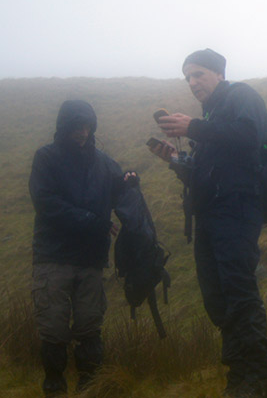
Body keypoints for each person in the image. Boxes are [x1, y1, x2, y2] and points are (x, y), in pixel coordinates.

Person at [149, 48, 267, 397]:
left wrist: (195, 127)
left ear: (218, 73)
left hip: (236, 211)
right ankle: (240, 377)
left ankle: (257, 381)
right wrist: (176, 161)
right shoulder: (212, 114)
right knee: (217, 300)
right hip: (209, 217)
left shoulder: (241, 96)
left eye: (198, 74)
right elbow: (207, 174)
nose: (192, 82)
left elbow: (250, 136)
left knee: (239, 292)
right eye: (187, 77)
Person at [29, 100, 136, 395]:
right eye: (77, 127)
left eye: (87, 127)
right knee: (53, 328)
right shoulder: (46, 158)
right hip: (54, 257)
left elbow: (116, 191)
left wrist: (128, 181)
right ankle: (54, 386)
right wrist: (93, 222)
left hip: (90, 259)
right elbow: (46, 203)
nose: (83, 133)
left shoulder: (103, 162)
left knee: (90, 327)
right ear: (64, 128)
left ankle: (90, 387)